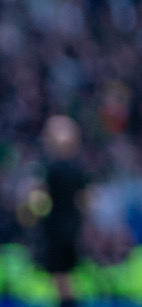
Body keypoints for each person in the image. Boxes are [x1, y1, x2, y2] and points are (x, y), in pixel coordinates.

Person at [37, 115, 87, 307]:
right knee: (69, 277)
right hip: (72, 226)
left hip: (56, 227)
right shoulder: (78, 170)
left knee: (60, 278)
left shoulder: (50, 169)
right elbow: (84, 201)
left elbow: (40, 202)